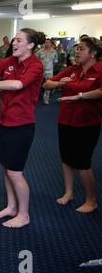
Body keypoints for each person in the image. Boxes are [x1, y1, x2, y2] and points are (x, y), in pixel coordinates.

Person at [0, 28, 45, 228]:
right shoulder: (10, 61)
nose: (14, 43)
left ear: (30, 45)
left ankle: (24, 214)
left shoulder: (36, 66)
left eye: (19, 40)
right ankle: (11, 207)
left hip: (22, 125)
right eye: (14, 39)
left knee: (15, 171)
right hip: (4, 121)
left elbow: (18, 85)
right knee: (5, 167)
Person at [44, 36, 102, 213]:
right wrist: (58, 83)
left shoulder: (99, 70)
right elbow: (46, 84)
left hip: (87, 122)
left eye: (81, 49)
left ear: (93, 53)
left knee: (82, 162)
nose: (77, 52)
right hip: (66, 119)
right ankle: (68, 193)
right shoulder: (71, 70)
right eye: (76, 49)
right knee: (66, 159)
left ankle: (91, 200)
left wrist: (81, 96)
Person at [36, 38, 58, 104]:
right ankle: (35, 97)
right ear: (44, 43)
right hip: (40, 71)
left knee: (48, 85)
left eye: (49, 42)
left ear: (51, 43)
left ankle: (46, 99)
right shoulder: (39, 52)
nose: (47, 44)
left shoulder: (54, 52)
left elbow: (55, 61)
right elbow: (35, 61)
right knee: (37, 85)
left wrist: (50, 66)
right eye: (46, 42)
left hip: (49, 71)